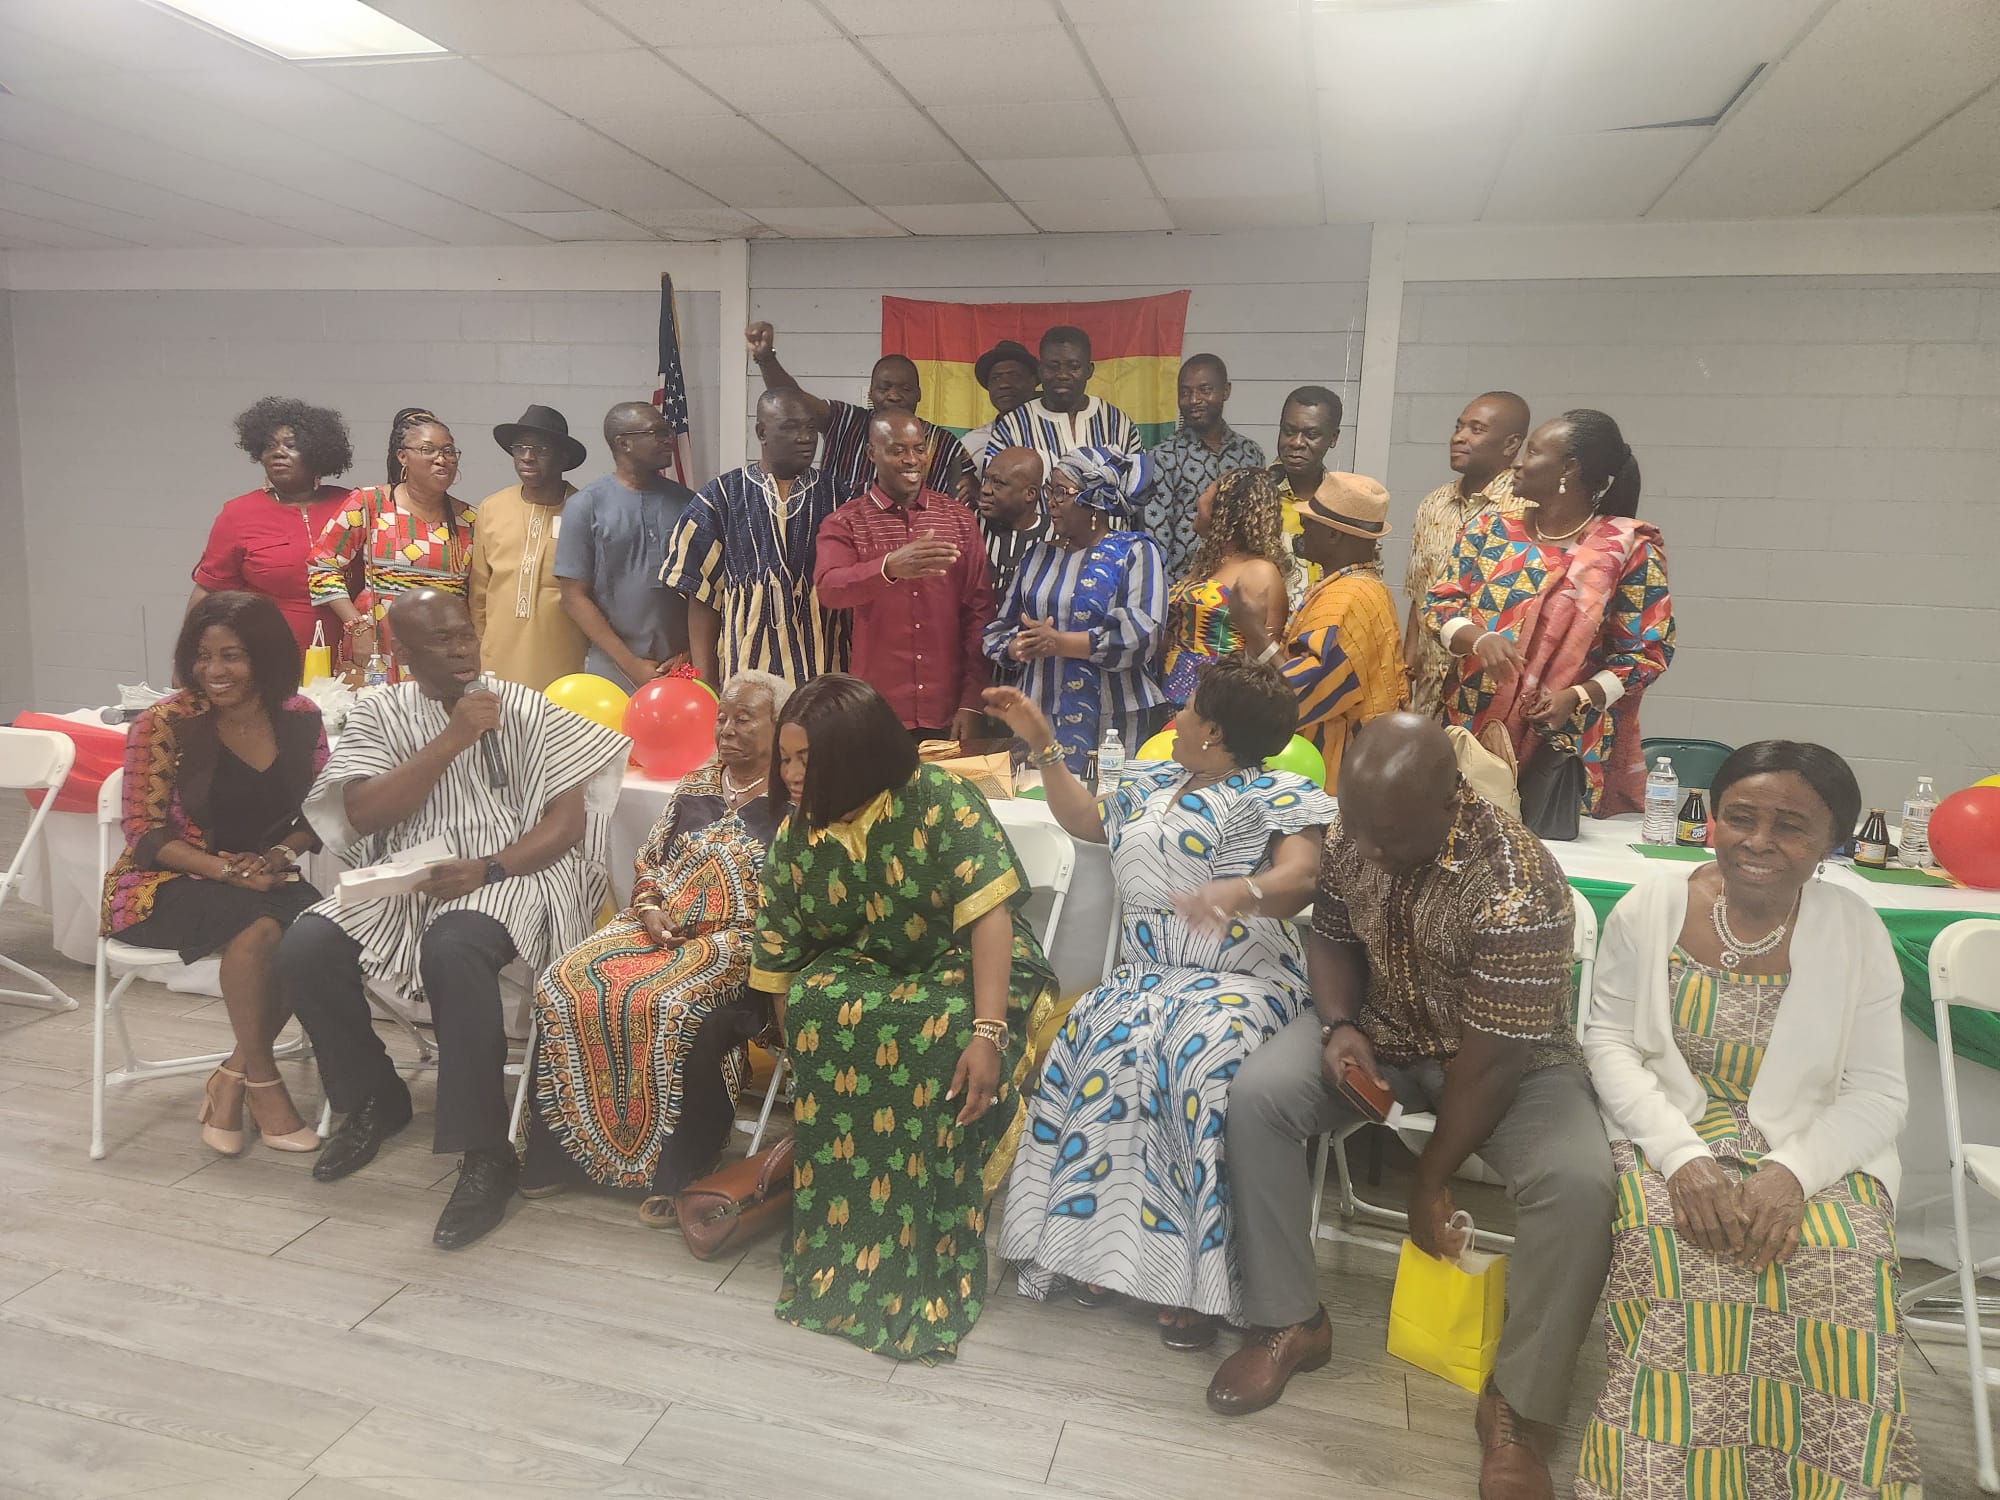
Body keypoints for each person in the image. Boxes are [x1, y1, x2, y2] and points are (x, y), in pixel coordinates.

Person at [1210, 713, 1612, 1500]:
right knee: (1259, 1098)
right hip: (1383, 1033)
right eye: (1355, 828)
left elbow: (1492, 1066)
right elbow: (1331, 935)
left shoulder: (1519, 884)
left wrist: (1429, 1182)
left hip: (1507, 1062)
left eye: (1387, 836)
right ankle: (1292, 1320)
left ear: (1449, 800)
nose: (1364, 850)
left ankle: (1520, 1404)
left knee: (1580, 1185)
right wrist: (1340, 1026)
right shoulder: (1357, 834)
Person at [1578, 741, 1917, 1499]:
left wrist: (1791, 1173)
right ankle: (1663, 1481)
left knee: (1842, 1260)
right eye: (1740, 817)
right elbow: (1608, 1045)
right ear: (1713, 820)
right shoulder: (1651, 907)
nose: (1758, 841)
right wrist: (1681, 1158)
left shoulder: (1855, 931)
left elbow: (1877, 1092)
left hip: (1812, 1144)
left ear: (1830, 842)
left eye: (1790, 826)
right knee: (1675, 1254)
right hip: (1668, 1128)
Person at [991, 661, 1335, 1349]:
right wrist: (1044, 744)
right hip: (1148, 976)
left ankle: (1196, 1281)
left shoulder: (1281, 792)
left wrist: (1244, 891)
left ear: (1214, 730)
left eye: (1189, 708)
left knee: (1192, 1059)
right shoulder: (1149, 782)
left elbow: (1303, 876)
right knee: (1102, 1037)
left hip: (1244, 980)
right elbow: (1084, 820)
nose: (1175, 717)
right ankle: (1099, 1250)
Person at [279, 589, 628, 1251]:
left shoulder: (526, 707)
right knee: (307, 943)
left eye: (464, 633)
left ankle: (485, 1150)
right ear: (404, 654)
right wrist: (453, 738)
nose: (462, 648)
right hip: (410, 873)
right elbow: (363, 814)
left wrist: (489, 867)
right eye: (441, 641)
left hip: (516, 871)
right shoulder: (381, 711)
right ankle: (375, 1096)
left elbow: (566, 826)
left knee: (454, 946)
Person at [748, 674, 1056, 1361]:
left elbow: (990, 917)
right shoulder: (800, 830)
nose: (792, 775)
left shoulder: (938, 797)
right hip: (873, 969)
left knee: (939, 1034)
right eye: (785, 759)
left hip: (967, 962)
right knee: (820, 1005)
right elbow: (780, 949)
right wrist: (802, 1052)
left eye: (806, 760)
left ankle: (927, 1254)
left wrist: (988, 1032)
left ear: (854, 753)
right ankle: (840, 1247)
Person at [521, 672, 790, 1223]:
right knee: (564, 982)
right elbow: (650, 861)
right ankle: (557, 1156)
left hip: (737, 938)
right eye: (722, 718)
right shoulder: (696, 785)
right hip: (654, 925)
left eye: (744, 719)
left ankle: (680, 1170)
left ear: (780, 727)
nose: (726, 730)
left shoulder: (794, 798)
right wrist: (648, 909)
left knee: (668, 1003)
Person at [102, 592, 328, 1154]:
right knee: (263, 929)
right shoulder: (165, 722)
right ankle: (265, 1085)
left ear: (266, 656)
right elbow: (144, 831)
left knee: (319, 937)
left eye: (233, 655)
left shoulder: (300, 717)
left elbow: (320, 811)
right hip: (161, 885)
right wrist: (225, 871)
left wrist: (278, 856)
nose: (214, 671)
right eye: (203, 656)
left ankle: (231, 1077)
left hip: (265, 876)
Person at [1425, 409, 1674, 816]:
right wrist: (1480, 639)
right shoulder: (1488, 530)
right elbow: (1439, 605)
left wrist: (1576, 697)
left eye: (1534, 452)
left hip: (1560, 741)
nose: (1518, 463)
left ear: (1569, 469)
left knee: (1547, 847)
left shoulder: (1627, 550)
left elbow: (1645, 654)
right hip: (1468, 724)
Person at [982, 446, 1167, 776]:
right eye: (1049, 491)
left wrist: (1060, 643)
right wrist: (1015, 646)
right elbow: (998, 629)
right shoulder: (1037, 557)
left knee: (1104, 803)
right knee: (1038, 802)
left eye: (1061, 492)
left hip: (1114, 723)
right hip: (1039, 719)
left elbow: (1143, 635)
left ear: (1094, 501)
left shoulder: (1135, 552)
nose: (1050, 502)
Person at [813, 411, 993, 742]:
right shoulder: (846, 522)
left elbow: (979, 614)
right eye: (897, 450)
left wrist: (972, 702)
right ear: (872, 453)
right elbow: (829, 589)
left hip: (948, 710)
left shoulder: (959, 520)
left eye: (919, 449)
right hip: (876, 711)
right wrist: (887, 568)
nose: (912, 460)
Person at [1226, 473, 1406, 791]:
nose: (1302, 529)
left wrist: (1255, 632)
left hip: (1334, 780)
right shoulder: (1358, 588)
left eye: (1309, 523)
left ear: (1334, 534)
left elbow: (1294, 697)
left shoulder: (1347, 600)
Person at [661, 388, 846, 689]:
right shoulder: (719, 498)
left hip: (825, 675)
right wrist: (706, 681)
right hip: (745, 677)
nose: (805, 438)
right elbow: (702, 596)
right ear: (762, 432)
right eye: (791, 427)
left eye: (811, 428)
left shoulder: (840, 497)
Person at [307, 408, 475, 679]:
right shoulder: (369, 503)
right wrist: (357, 627)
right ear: (402, 456)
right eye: (428, 450)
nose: (441, 459)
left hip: (444, 651)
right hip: (378, 644)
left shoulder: (470, 519)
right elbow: (322, 566)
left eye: (448, 451)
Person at [189, 396, 354, 658]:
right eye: (269, 446)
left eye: (291, 445)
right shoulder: (238, 513)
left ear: (318, 453)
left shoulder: (352, 505)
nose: (278, 452)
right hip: (268, 658)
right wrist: (187, 659)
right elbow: (208, 592)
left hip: (353, 657)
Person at [1404, 393, 1531, 718]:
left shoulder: (1525, 511)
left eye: (1476, 429)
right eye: (1458, 427)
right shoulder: (1433, 504)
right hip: (1428, 686)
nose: (1459, 437)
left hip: (1485, 691)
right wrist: (1405, 668)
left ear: (1511, 444)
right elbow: (1419, 596)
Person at [746, 322, 972, 503]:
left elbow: (967, 492)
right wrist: (766, 359)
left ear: (919, 394)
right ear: (871, 393)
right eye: (884, 388)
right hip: (836, 534)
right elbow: (794, 400)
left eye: (905, 389)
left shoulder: (943, 442)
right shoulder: (845, 420)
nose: (894, 396)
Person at [555, 401, 694, 693]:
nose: (668, 439)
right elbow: (573, 597)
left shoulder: (689, 503)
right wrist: (631, 665)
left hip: (680, 667)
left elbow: (706, 591)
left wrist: (690, 652)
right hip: (613, 671)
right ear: (623, 443)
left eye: (667, 431)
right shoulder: (586, 506)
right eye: (657, 432)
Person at [467, 404, 589, 691]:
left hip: (564, 660)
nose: (527, 457)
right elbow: (479, 591)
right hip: (497, 658)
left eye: (540, 449)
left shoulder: (585, 510)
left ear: (563, 457)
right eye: (519, 448)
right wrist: (481, 647)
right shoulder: (492, 507)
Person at [1160, 466, 1292, 707]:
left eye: (1207, 493)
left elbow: (1265, 659)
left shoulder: (1259, 570)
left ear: (1227, 510)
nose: (1199, 500)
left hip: (1218, 703)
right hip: (1170, 695)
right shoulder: (1206, 563)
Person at [1139, 355, 1267, 577]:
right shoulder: (1163, 457)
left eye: (1205, 390)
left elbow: (1259, 526)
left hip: (1239, 584)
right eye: (1185, 392)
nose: (1194, 400)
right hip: (1184, 587)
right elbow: (1155, 537)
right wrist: (1168, 593)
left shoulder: (1250, 453)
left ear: (1226, 391)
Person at [982, 326, 1143, 470]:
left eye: (1074, 367)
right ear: (1040, 370)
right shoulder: (1012, 427)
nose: (1062, 375)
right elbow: (992, 489)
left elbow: (1141, 484)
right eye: (1053, 367)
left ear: (1089, 370)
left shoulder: (1117, 423)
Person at [1268, 386, 1343, 593]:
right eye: (1289, 431)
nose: (1297, 443)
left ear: (1333, 438)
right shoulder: (1251, 498)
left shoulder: (1344, 506)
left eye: (1311, 434)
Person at [974, 445, 1050, 600]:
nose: (985, 489)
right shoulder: (967, 527)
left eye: (998, 483)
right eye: (986, 479)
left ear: (1030, 494)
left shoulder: (1057, 537)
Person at [959, 341, 1040, 478]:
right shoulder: (972, 443)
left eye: (1014, 376)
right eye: (996, 378)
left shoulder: (1054, 434)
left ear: (1033, 381)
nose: (1004, 384)